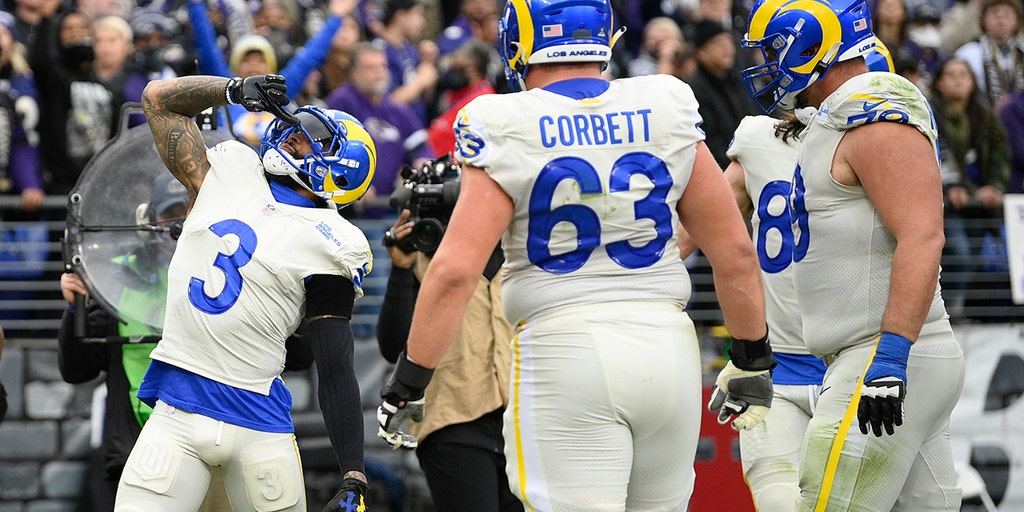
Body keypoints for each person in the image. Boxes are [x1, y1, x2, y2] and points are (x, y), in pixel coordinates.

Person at [375, 0, 775, 509]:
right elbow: (735, 252)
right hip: (667, 346)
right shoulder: (664, 101)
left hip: (564, 349)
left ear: (518, 41)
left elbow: (455, 272)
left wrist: (408, 383)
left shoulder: (503, 119)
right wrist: (751, 360)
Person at [741, 0, 967, 509]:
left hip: (879, 358)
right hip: (871, 354)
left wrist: (889, 357)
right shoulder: (832, 117)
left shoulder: (874, 113)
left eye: (776, 48)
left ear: (813, 41)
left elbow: (924, 236)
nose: (769, 62)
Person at [114, 73, 376, 511]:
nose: (292, 135)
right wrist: (232, 89)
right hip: (177, 408)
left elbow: (335, 365)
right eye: (296, 127)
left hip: (258, 422)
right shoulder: (229, 169)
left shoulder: (333, 240)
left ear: (340, 167)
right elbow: (157, 100)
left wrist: (354, 473)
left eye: (309, 139)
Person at [376, 199, 523, 511]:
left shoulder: (523, 248)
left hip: (525, 421)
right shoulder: (426, 255)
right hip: (452, 420)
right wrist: (402, 271)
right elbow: (392, 347)